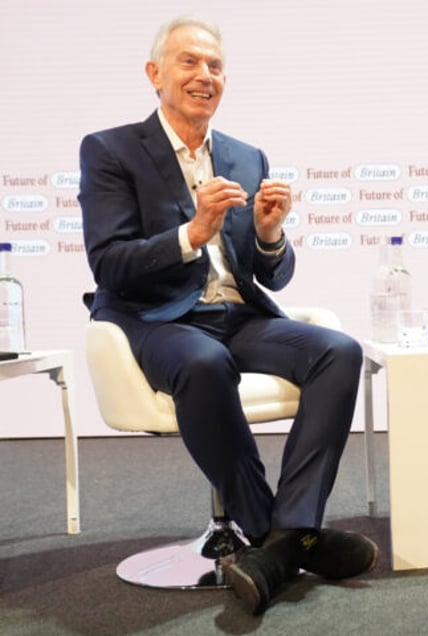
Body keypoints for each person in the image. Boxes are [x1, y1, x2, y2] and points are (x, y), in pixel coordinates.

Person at [79, 16, 377, 614]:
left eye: (215, 66)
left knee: (338, 351)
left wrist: (270, 234)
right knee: (206, 362)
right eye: (188, 62)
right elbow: (108, 264)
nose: (204, 76)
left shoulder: (244, 155)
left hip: (237, 314)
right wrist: (191, 233)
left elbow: (271, 274)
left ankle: (286, 534)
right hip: (157, 320)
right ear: (154, 74)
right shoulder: (110, 150)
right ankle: (280, 535)